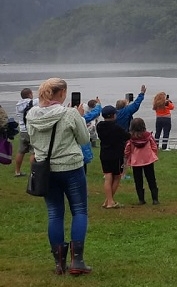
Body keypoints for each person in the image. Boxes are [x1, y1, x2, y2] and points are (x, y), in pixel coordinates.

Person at [26, 78, 92, 275]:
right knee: (79, 210)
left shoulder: (31, 115)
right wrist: (80, 117)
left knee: (55, 213)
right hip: (71, 166)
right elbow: (84, 139)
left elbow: (33, 141)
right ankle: (77, 261)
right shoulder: (70, 114)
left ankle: (59, 263)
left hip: (47, 170)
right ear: (62, 93)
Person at [96, 106, 130, 209]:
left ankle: (108, 201)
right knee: (117, 176)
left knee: (107, 177)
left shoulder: (100, 126)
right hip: (116, 155)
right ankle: (110, 201)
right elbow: (127, 136)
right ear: (113, 115)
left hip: (104, 154)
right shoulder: (117, 128)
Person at [125, 118, 160, 205]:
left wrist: (128, 158)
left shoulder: (131, 138)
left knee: (138, 180)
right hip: (148, 160)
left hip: (136, 161)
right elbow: (154, 146)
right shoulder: (148, 136)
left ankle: (141, 199)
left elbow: (127, 149)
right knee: (151, 179)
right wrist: (154, 154)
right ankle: (155, 199)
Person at [14, 87, 39, 177]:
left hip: (23, 130)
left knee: (21, 151)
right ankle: (33, 173)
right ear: (29, 94)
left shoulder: (17, 105)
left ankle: (17, 171)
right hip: (31, 130)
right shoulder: (33, 102)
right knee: (34, 152)